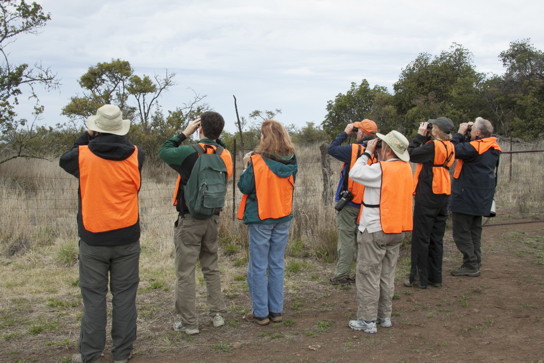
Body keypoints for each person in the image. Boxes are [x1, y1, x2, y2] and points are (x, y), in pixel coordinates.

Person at [59, 104, 144, 363]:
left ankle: (91, 353)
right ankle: (122, 353)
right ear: (121, 129)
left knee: (94, 298)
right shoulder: (138, 155)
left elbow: (67, 157)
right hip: (127, 237)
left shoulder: (81, 156)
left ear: (95, 128)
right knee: (125, 296)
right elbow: (121, 148)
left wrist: (88, 135)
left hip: (94, 238)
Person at [158, 111, 233, 335]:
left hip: (190, 219)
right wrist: (213, 137)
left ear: (199, 129)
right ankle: (217, 314)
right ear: (220, 132)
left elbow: (163, 151)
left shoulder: (189, 153)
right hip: (213, 217)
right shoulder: (225, 155)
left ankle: (189, 322)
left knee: (186, 272)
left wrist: (184, 133)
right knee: (211, 266)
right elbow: (220, 151)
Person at [347, 130, 413, 334]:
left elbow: (355, 173)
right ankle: (384, 316)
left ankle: (367, 320)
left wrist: (366, 153)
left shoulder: (381, 169)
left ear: (387, 149)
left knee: (368, 274)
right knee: (387, 274)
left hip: (375, 229)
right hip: (397, 228)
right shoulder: (405, 168)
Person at [237, 120, 298, 326]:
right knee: (276, 264)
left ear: (265, 138)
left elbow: (244, 187)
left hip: (262, 217)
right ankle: (276, 311)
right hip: (283, 216)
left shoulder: (256, 161)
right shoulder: (292, 160)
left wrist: (246, 166)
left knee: (258, 265)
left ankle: (261, 313)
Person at [405, 117, 455, 289]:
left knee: (421, 236)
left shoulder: (433, 146)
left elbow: (410, 153)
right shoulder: (450, 145)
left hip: (428, 193)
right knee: (436, 237)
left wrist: (419, 136)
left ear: (436, 130)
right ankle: (435, 277)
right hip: (444, 192)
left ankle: (419, 278)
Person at [327, 119, 378, 285]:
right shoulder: (381, 151)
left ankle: (342, 275)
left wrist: (346, 132)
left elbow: (332, 149)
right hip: (368, 204)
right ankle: (362, 274)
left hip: (350, 203)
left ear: (361, 133)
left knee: (347, 239)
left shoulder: (354, 149)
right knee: (364, 240)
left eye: (358, 132)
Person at [449, 117, 501, 277]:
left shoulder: (475, 147)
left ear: (478, 132)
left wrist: (459, 133)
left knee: (461, 231)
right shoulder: (491, 146)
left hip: (466, 196)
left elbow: (452, 149)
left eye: (473, 130)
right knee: (474, 230)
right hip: (481, 196)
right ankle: (475, 261)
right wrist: (468, 135)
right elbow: (468, 149)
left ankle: (470, 264)